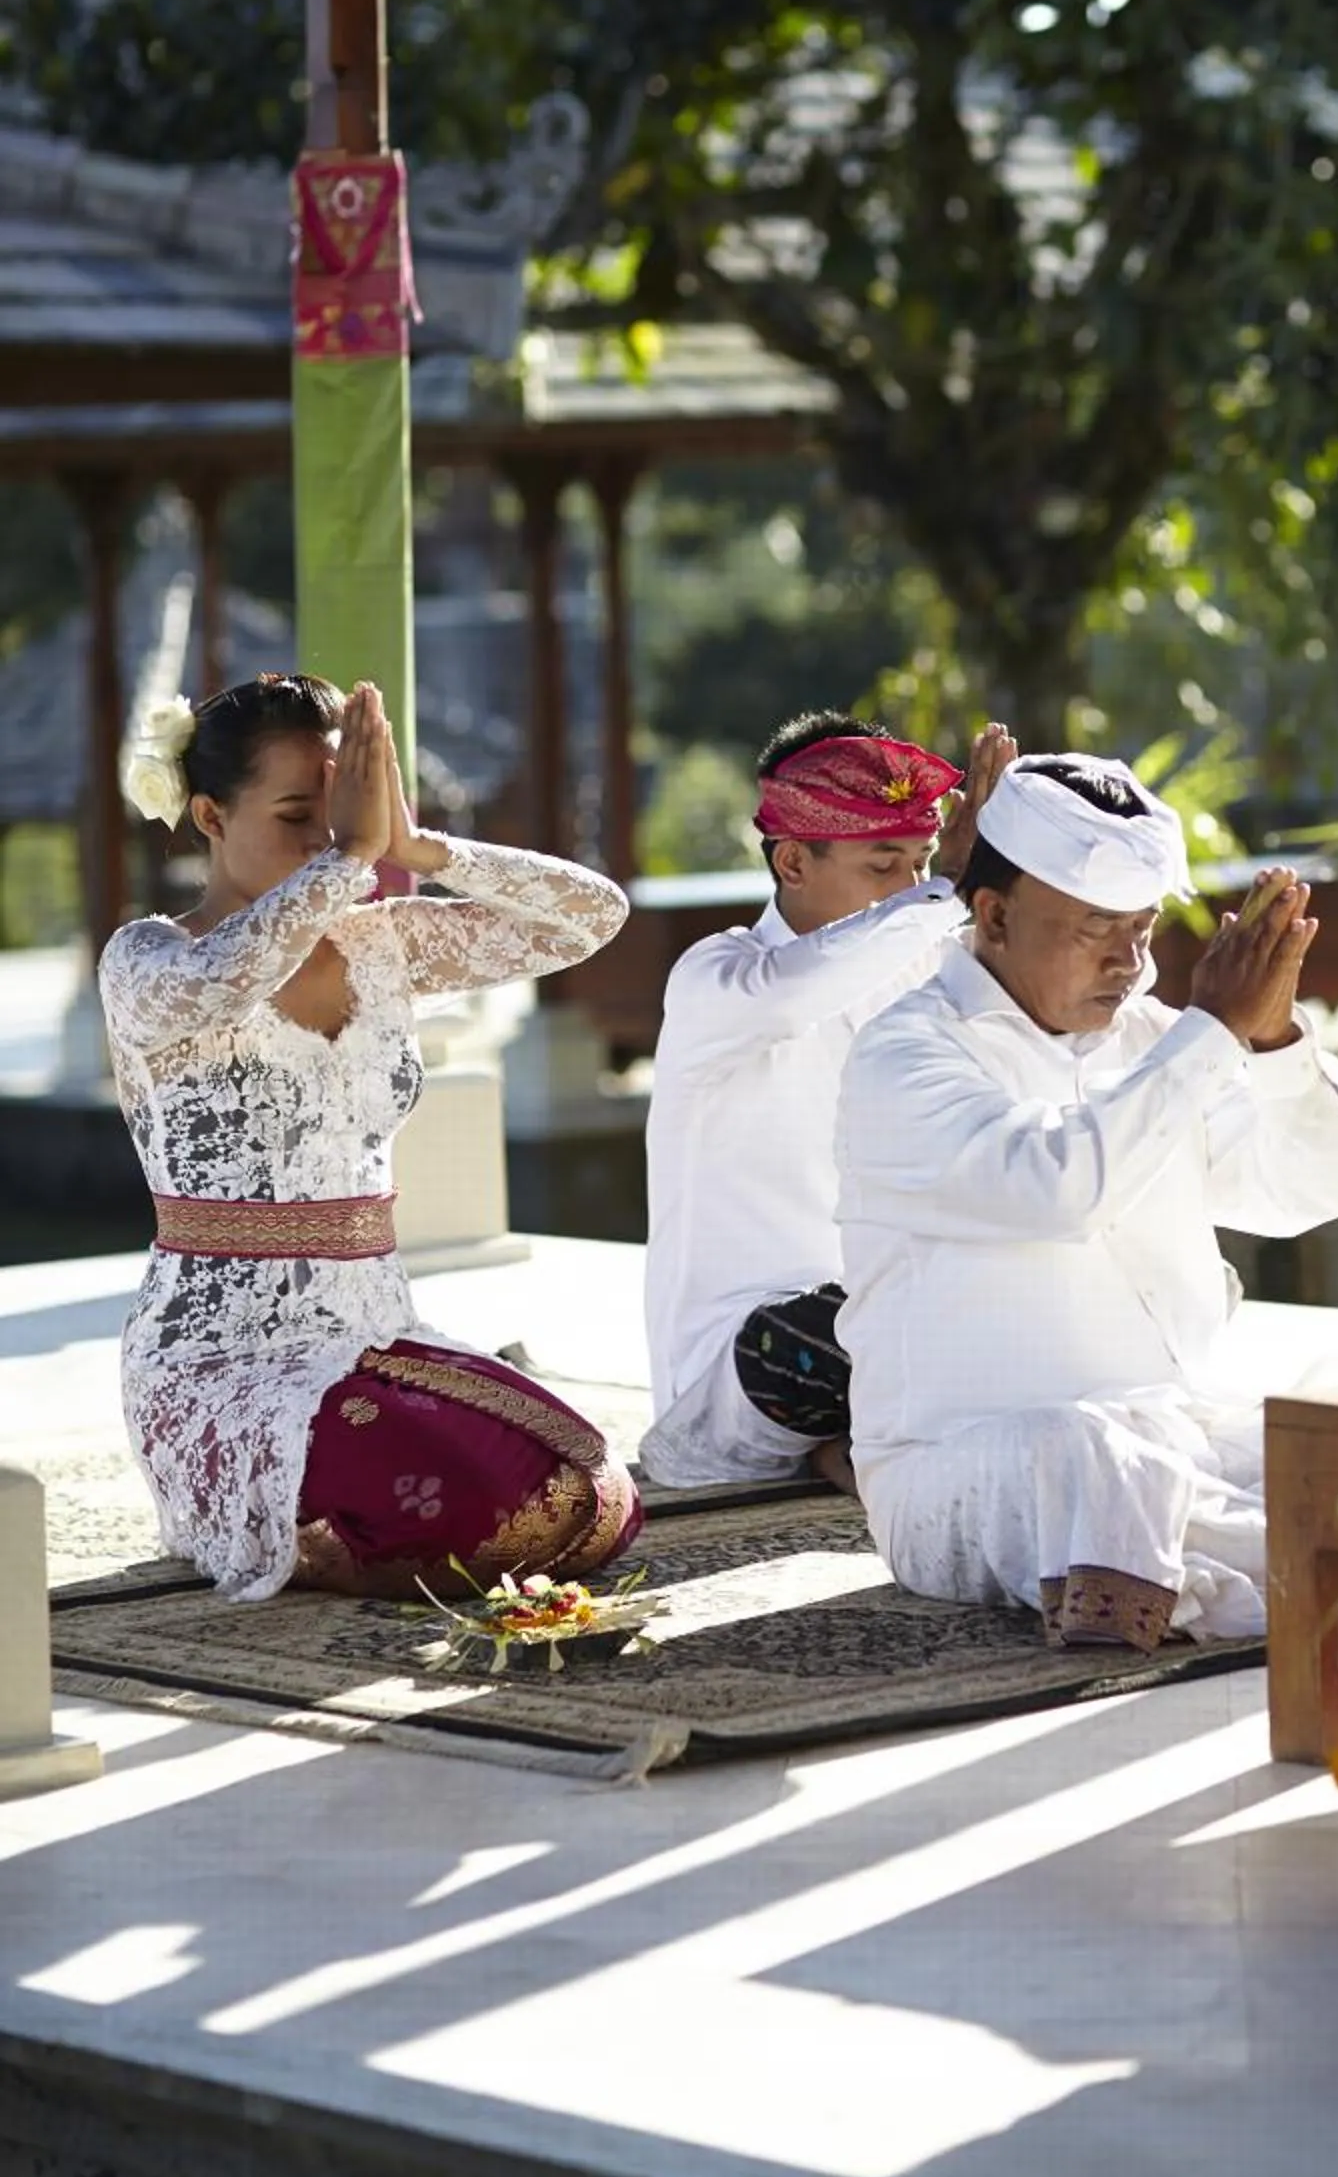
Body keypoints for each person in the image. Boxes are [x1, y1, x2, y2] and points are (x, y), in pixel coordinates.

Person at [100, 672, 643, 1603]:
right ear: (207, 815)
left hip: (375, 1337)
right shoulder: (152, 961)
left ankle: (360, 1537)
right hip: (220, 1366)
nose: (325, 840)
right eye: (297, 813)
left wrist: (415, 845)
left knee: (591, 1493)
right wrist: (348, 860)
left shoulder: (382, 943)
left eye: (344, 813)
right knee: (483, 1509)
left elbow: (594, 916)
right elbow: (235, 975)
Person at [835, 752, 1338, 1649]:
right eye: (1095, 930)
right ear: (993, 915)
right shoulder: (904, 1056)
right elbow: (1055, 1191)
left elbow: (1306, 1190)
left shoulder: (1161, 1044)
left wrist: (1271, 1038)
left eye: (1144, 929)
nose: (1130, 962)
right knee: (1095, 1458)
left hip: (1177, 1440)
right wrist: (1212, 1036)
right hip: (971, 1472)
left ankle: (1326, 1561)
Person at [639, 709, 1016, 1492]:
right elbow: (800, 992)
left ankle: (878, 1454)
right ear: (792, 864)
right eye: (886, 866)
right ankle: (880, 1452)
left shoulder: (929, 970)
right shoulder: (719, 978)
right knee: (832, 1332)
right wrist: (947, 892)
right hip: (753, 1371)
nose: (911, 887)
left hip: (892, 1321)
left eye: (921, 863)